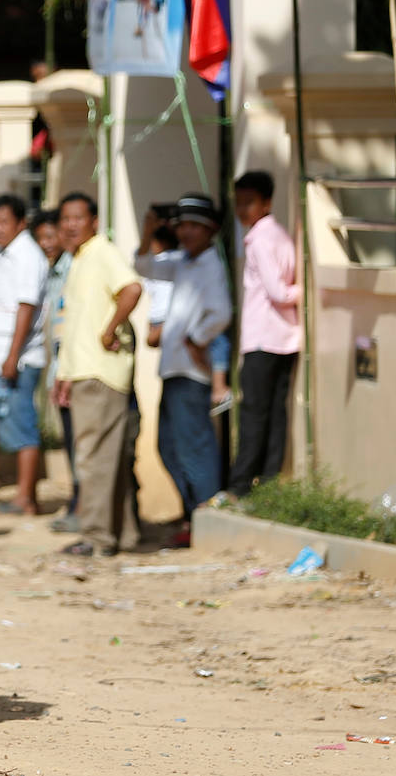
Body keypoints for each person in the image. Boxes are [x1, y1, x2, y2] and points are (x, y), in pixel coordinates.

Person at [135, 195, 232, 538]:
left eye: (195, 226)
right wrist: (148, 231)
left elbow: (221, 313)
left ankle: (207, 518)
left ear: (211, 231)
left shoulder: (210, 266)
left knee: (194, 447)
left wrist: (196, 339)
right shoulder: (182, 262)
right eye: (183, 225)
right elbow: (144, 266)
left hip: (190, 372)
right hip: (173, 369)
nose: (188, 232)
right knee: (168, 445)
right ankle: (194, 514)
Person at [53, 192, 142, 557]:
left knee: (92, 459)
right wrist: (63, 375)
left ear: (93, 221)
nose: (70, 225)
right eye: (65, 219)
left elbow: (132, 288)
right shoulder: (80, 260)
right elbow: (73, 326)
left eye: (78, 218)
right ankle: (123, 535)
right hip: (85, 373)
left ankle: (97, 537)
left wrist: (111, 329)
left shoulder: (102, 251)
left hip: (100, 373)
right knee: (110, 459)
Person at [228, 170, 300, 498]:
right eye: (238, 203)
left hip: (261, 339)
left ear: (266, 202)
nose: (242, 210)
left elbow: (278, 292)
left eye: (249, 202)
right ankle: (270, 484)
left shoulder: (259, 239)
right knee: (275, 411)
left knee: (254, 413)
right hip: (286, 339)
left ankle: (242, 485)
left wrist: (301, 292)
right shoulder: (281, 236)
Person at [0, 195, 48, 516]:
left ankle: (25, 499)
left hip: (17, 358)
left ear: (21, 223)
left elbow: (26, 306)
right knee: (10, 423)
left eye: (4, 221)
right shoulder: (4, 253)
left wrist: (12, 356)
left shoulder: (28, 255)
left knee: (23, 425)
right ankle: (23, 495)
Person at [32, 210, 79, 531]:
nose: (47, 244)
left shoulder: (73, 270)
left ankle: (83, 507)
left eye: (52, 236)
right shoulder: (49, 273)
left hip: (76, 370)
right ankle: (78, 503)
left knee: (81, 446)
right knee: (72, 444)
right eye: (42, 239)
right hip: (60, 372)